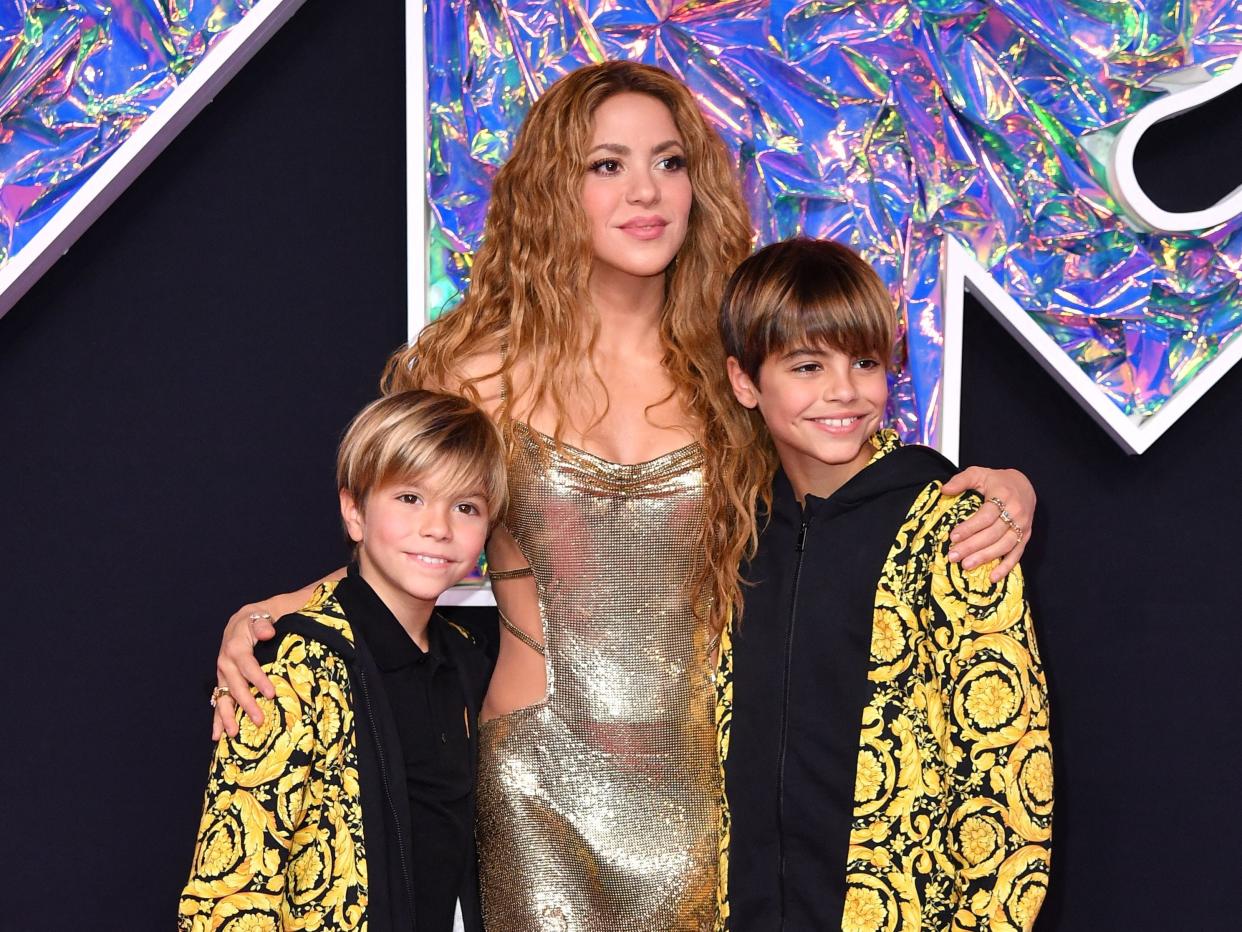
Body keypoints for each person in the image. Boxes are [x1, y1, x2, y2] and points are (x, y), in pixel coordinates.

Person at [206, 63, 1039, 931]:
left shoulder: (735, 369)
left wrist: (1006, 487)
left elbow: (853, 482)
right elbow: (406, 532)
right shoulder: (473, 370)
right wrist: (281, 612)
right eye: (607, 165)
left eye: (669, 163)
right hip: (535, 788)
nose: (646, 191)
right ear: (552, 188)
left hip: (710, 791)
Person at [715, 239, 1052, 931]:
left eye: (864, 362)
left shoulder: (953, 529)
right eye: (808, 366)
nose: (844, 391)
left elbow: (1007, 773)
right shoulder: (736, 536)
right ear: (745, 382)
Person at [180, 390, 507, 931]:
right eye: (410, 498)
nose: (439, 526)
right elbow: (228, 894)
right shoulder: (292, 667)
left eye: (465, 506)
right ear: (354, 512)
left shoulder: (466, 664)